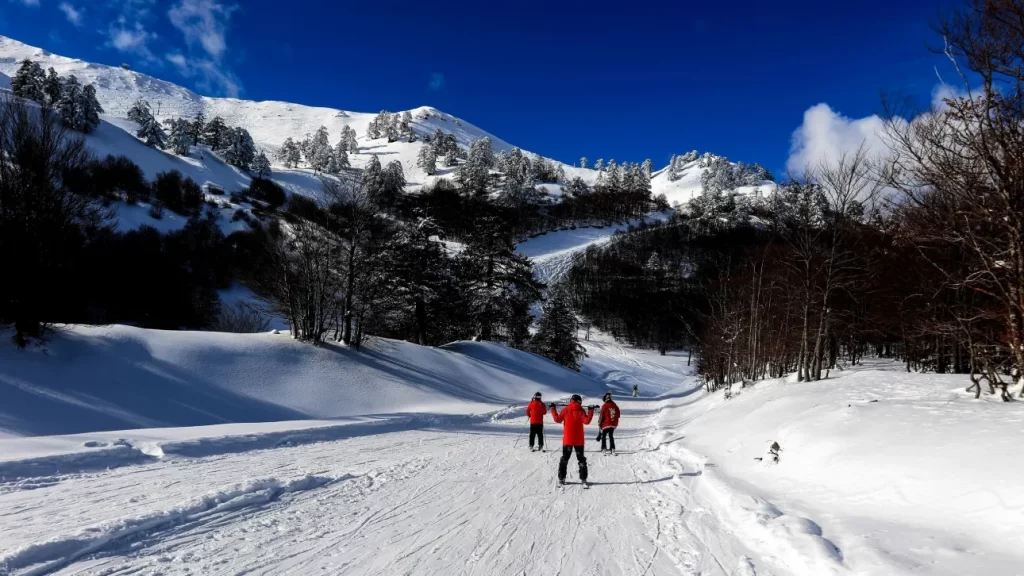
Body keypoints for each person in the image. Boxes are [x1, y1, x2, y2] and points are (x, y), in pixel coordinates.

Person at [550, 394, 595, 485]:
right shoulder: (581, 410)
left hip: (568, 440)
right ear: (579, 401)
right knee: (581, 459)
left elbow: (557, 419)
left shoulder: (566, 410)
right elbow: (586, 421)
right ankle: (583, 479)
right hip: (579, 440)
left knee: (565, 459)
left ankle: (562, 478)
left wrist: (553, 409)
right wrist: (591, 411)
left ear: (571, 401)